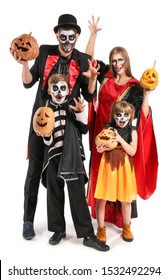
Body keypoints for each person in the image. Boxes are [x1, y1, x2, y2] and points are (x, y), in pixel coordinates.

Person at [10, 14, 99, 240]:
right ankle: (28, 220)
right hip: (41, 119)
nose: (67, 41)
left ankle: (75, 229)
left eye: (72, 36)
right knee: (34, 171)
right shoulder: (44, 52)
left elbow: (88, 94)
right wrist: (25, 63)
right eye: (63, 36)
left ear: (77, 36)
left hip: (68, 125)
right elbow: (29, 82)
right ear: (56, 36)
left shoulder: (81, 60)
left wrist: (94, 35)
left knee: (70, 174)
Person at [85, 16, 158, 229]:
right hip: (102, 135)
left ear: (127, 61)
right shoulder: (105, 75)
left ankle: (122, 221)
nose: (117, 65)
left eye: (120, 60)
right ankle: (101, 222)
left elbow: (142, 115)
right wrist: (93, 34)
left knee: (120, 175)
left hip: (121, 139)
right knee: (101, 175)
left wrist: (146, 93)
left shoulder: (135, 86)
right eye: (114, 60)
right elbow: (87, 61)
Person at [37, 73, 109, 251]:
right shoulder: (45, 111)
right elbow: (46, 139)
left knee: (77, 195)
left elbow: (84, 129)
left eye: (63, 88)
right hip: (53, 157)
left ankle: (87, 235)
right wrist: (46, 136)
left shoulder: (73, 107)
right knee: (54, 194)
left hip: (72, 157)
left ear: (68, 90)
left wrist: (80, 112)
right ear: (49, 90)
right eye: (55, 89)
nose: (59, 92)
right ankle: (58, 230)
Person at [95, 100, 138, 242]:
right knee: (102, 198)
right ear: (114, 116)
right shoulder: (108, 127)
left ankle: (126, 226)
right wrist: (100, 149)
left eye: (126, 115)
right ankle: (101, 228)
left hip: (124, 166)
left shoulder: (132, 131)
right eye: (119, 115)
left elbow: (132, 151)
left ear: (130, 116)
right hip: (108, 164)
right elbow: (100, 145)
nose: (122, 118)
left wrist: (119, 138)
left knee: (126, 199)